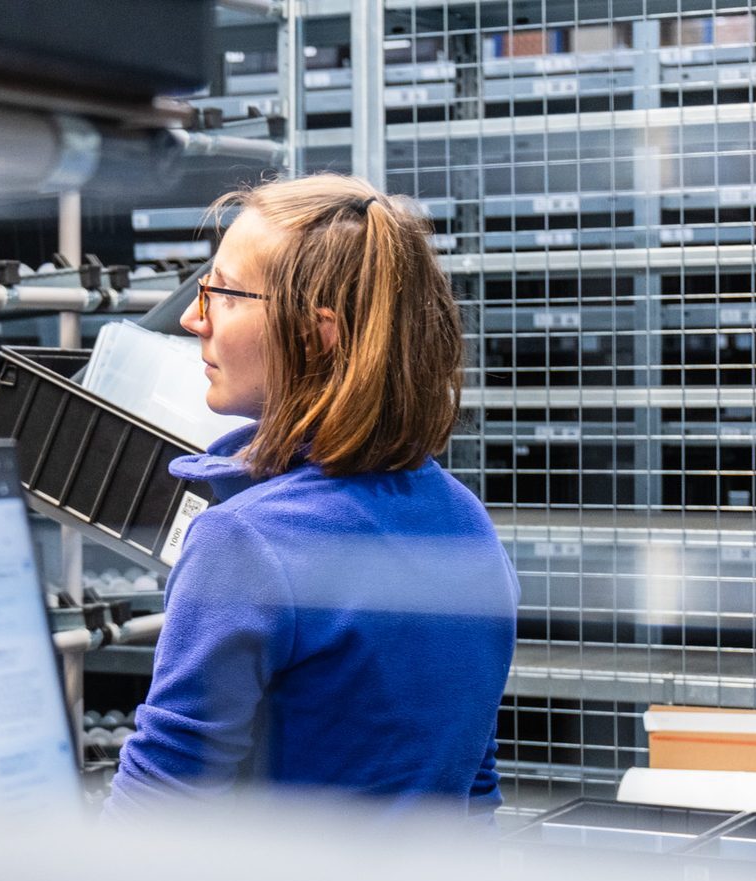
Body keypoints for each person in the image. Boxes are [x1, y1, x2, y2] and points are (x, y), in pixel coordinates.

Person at [105, 174, 518, 817]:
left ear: (313, 332)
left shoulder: (244, 542)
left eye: (222, 294)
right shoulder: (467, 525)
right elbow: (473, 786)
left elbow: (158, 805)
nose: (192, 317)